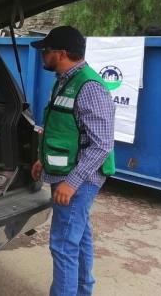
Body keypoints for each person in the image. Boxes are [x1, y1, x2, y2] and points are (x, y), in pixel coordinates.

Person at [30, 26, 115, 296]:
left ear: (62, 53)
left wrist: (72, 183)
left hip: (79, 178)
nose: (43, 56)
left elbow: (102, 143)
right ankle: (81, 291)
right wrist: (43, 158)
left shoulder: (89, 86)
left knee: (63, 244)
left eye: (46, 51)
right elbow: (63, 127)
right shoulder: (64, 79)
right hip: (65, 171)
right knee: (79, 239)